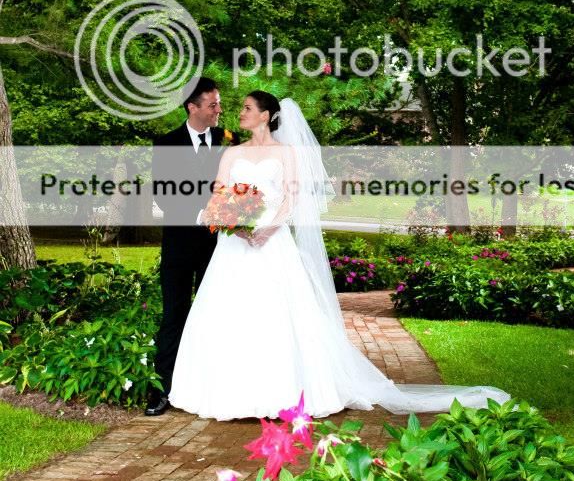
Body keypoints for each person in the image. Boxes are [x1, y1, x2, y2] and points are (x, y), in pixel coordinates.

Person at [167, 91, 511, 419]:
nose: (240, 113)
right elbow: (219, 195)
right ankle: (227, 392)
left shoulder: (286, 153)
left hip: (273, 241)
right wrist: (236, 225)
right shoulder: (232, 154)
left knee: (277, 314)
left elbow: (291, 199)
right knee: (231, 313)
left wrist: (269, 228)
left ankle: (283, 394)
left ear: (266, 116)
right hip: (235, 245)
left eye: (246, 108)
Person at [145, 77, 239, 416]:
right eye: (213, 104)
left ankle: (215, 389)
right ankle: (162, 391)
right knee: (174, 315)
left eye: (219, 103)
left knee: (217, 315)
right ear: (192, 107)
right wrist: (202, 214)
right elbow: (163, 194)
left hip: (220, 248)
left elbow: (239, 188)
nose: (219, 110)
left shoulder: (230, 141)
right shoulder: (166, 143)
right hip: (179, 246)